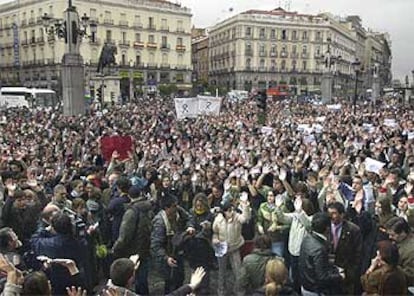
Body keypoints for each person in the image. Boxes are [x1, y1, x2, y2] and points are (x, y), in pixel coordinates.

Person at [30, 212, 87, 295]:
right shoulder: (80, 242)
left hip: (56, 281)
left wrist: (46, 229)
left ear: (53, 228)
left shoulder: (49, 244)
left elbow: (34, 240)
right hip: (76, 275)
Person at [112, 185, 153, 295]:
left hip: (132, 251)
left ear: (129, 196)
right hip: (145, 248)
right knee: (143, 279)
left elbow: (124, 236)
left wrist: (115, 248)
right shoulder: (149, 208)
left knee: (133, 279)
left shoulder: (131, 212)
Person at [100, 257, 206, 296]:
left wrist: (130, 265)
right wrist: (190, 286)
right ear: (130, 279)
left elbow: (120, 271)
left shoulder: (104, 290)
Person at [150, 194, 188, 294]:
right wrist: (166, 258)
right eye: (174, 206)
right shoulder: (159, 222)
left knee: (180, 279)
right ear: (167, 208)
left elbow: (189, 218)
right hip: (167, 256)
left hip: (179, 252)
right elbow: (156, 245)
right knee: (170, 283)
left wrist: (190, 227)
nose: (177, 207)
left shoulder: (179, 212)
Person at [212, 199, 251, 296]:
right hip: (222, 248)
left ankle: (239, 291)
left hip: (235, 247)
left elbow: (245, 218)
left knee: (238, 271)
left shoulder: (237, 217)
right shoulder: (218, 220)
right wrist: (215, 239)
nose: (231, 212)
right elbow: (215, 232)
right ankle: (221, 291)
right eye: (229, 210)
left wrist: (245, 206)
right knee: (222, 272)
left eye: (232, 210)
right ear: (224, 211)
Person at [299, 212, 344, 295]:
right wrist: (339, 276)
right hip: (315, 290)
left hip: (305, 285)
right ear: (327, 228)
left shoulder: (306, 238)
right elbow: (322, 277)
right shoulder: (319, 249)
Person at [327, 202, 362, 295]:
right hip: (329, 272)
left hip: (346, 273)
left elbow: (358, 254)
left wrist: (351, 274)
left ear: (342, 214)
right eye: (329, 213)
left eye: (334, 213)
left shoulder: (353, 230)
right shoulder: (325, 226)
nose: (331, 216)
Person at [384, 217, 414, 286]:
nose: (390, 237)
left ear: (403, 233)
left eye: (393, 235)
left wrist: (389, 267)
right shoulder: (398, 242)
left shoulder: (410, 251)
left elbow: (410, 276)